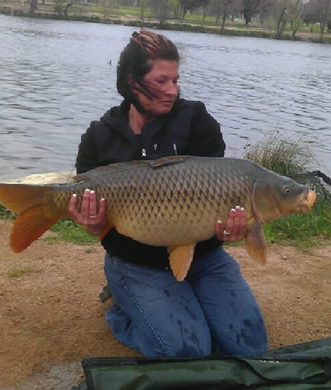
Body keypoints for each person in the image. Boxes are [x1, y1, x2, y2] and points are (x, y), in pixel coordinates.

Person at [69, 29, 268, 358]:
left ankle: (182, 299)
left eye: (175, 80)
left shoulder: (197, 121)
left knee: (249, 347)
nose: (172, 91)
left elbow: (222, 192)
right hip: (136, 262)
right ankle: (123, 312)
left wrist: (236, 226)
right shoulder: (99, 136)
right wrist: (90, 223)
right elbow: (94, 226)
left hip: (203, 258)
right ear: (132, 82)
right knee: (188, 350)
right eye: (161, 81)